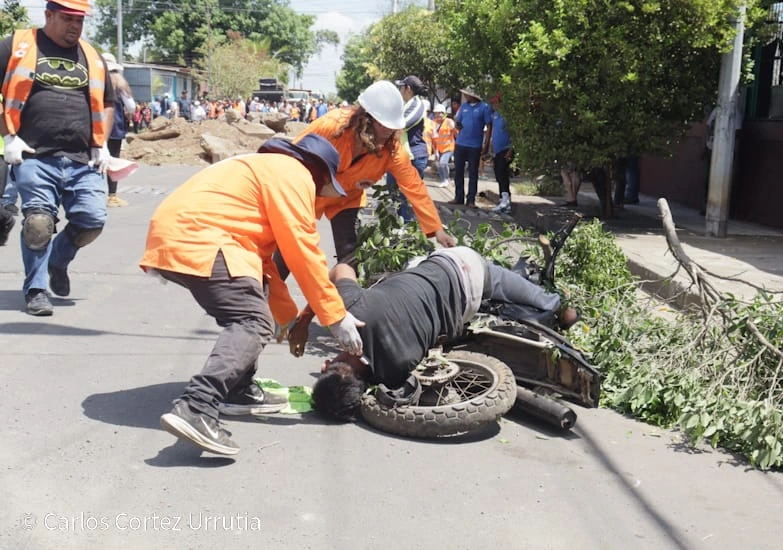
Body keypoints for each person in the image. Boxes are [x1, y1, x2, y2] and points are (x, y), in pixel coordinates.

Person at [141, 134, 366, 456]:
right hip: (202, 237)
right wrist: (335, 315)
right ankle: (197, 406)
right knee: (251, 321)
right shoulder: (294, 175)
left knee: (255, 306)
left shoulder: (267, 169)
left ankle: (238, 389)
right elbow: (303, 249)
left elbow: (262, 265)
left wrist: (287, 317)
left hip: (185, 234)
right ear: (319, 174)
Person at [289, 246, 578, 421]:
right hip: (455, 265)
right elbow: (340, 267)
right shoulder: (350, 311)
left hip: (469, 288)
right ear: (325, 365)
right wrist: (304, 321)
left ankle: (554, 304)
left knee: (544, 311)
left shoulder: (395, 373)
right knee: (548, 308)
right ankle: (556, 304)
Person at [0, 0, 116, 316]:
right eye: (67, 19)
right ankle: (36, 290)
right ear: (48, 15)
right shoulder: (16, 45)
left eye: (80, 20)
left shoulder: (92, 56)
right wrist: (9, 136)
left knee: (92, 221)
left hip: (83, 158)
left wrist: (101, 143)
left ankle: (58, 260)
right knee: (38, 223)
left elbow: (108, 102)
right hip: (34, 154)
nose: (74, 26)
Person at [294, 80, 456, 262]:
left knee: (349, 255)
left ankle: (347, 287)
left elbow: (414, 185)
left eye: (391, 126)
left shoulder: (392, 149)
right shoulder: (332, 126)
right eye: (382, 125)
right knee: (290, 249)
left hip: (347, 200)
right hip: (307, 193)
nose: (387, 131)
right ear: (366, 117)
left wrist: (437, 229)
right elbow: (293, 157)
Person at [385, 75, 429, 222]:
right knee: (394, 195)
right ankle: (398, 230)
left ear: (408, 89)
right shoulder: (404, 105)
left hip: (413, 157)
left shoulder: (418, 104)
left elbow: (401, 123)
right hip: (399, 156)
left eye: (401, 87)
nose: (399, 90)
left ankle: (409, 233)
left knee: (406, 199)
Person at [101, 52, 135, 208]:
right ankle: (112, 196)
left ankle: (92, 194)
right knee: (113, 159)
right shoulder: (120, 84)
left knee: (95, 160)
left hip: (95, 126)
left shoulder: (95, 80)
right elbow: (131, 107)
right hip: (114, 126)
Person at [452, 88, 492, 208]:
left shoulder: (484, 107)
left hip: (475, 145)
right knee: (458, 171)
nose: (465, 96)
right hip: (460, 144)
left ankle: (471, 200)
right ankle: (458, 197)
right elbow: (457, 121)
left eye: (467, 94)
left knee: (473, 173)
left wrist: (486, 145)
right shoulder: (464, 106)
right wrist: (458, 129)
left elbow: (489, 126)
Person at [489, 93, 514, 214]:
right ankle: (503, 200)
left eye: (495, 103)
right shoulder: (495, 115)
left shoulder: (507, 117)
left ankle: (505, 200)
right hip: (497, 150)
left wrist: (511, 150)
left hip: (505, 149)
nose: (493, 105)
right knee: (498, 175)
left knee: (502, 174)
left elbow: (514, 134)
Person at [431, 103, 456, 188]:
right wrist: (435, 151)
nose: (437, 115)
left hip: (449, 147)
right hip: (439, 148)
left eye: (439, 113)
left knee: (443, 163)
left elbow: (456, 132)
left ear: (444, 113)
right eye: (436, 113)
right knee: (438, 164)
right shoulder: (434, 123)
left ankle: (446, 179)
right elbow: (434, 138)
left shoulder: (449, 122)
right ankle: (443, 180)